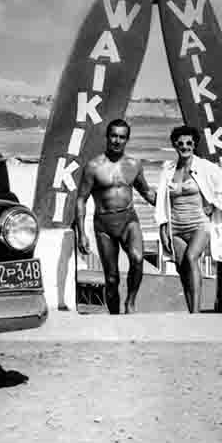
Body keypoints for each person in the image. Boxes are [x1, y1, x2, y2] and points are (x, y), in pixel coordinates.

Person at [75, 119, 157, 315]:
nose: (117, 140)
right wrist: (82, 234)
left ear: (127, 139)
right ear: (107, 137)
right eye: (114, 136)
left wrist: (172, 204)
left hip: (129, 220)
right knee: (111, 278)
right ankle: (114, 318)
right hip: (104, 224)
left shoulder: (134, 165)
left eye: (122, 137)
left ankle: (130, 302)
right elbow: (81, 200)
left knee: (137, 259)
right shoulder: (93, 167)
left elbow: (146, 192)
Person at [155, 125, 222, 314]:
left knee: (192, 258)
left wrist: (215, 204)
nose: (185, 147)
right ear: (174, 145)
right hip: (175, 227)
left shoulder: (205, 167)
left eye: (189, 143)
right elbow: (161, 201)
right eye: (180, 143)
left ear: (194, 145)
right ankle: (191, 309)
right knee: (182, 269)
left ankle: (195, 313)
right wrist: (163, 229)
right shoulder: (168, 170)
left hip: (199, 224)